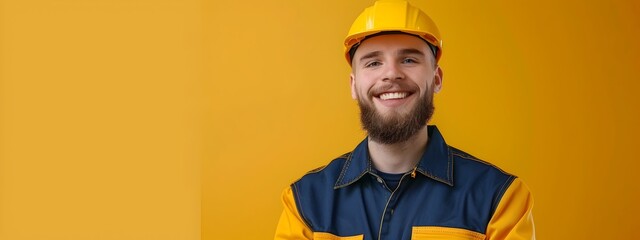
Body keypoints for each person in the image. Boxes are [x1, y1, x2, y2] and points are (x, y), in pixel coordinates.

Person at [274, 0, 535, 239]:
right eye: (373, 63)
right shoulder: (305, 203)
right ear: (354, 85)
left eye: (409, 59)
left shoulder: (499, 199)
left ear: (436, 79)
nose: (391, 74)